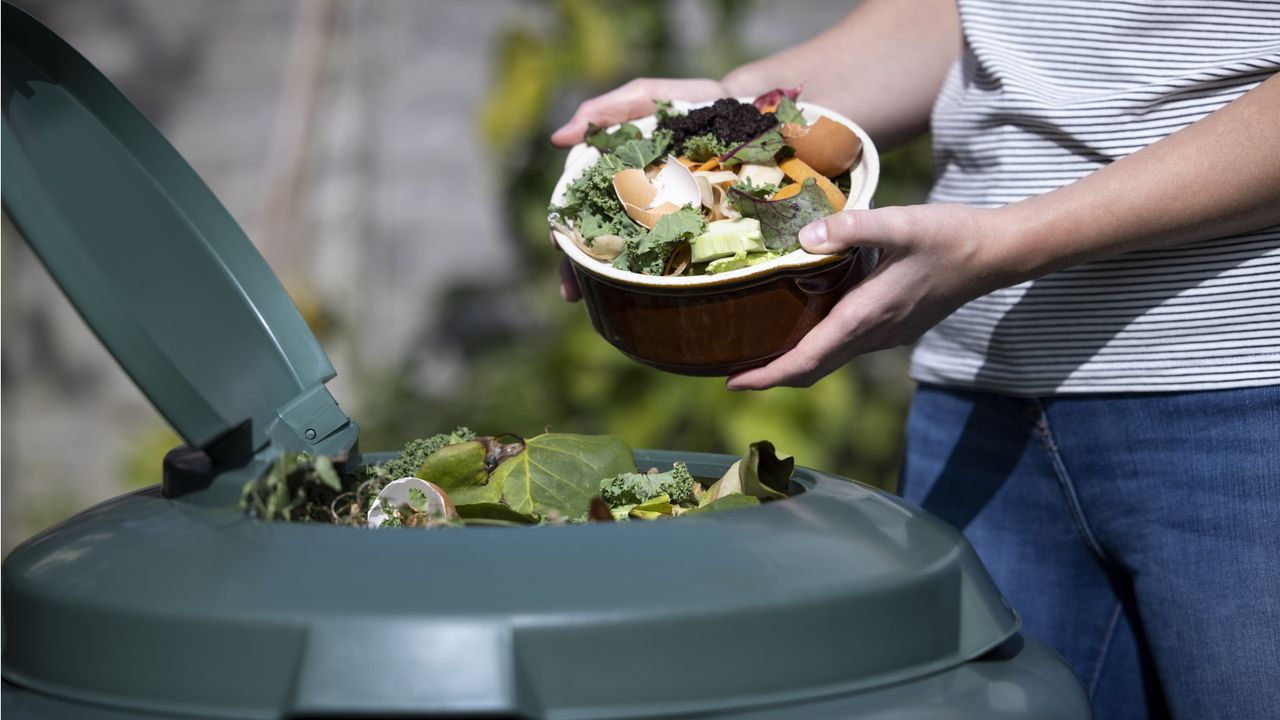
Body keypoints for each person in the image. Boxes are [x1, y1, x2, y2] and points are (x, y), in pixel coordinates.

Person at [549, 1, 1280, 718]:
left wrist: (1006, 243)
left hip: (1240, 406)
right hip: (980, 403)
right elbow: (981, 17)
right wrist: (724, 112)